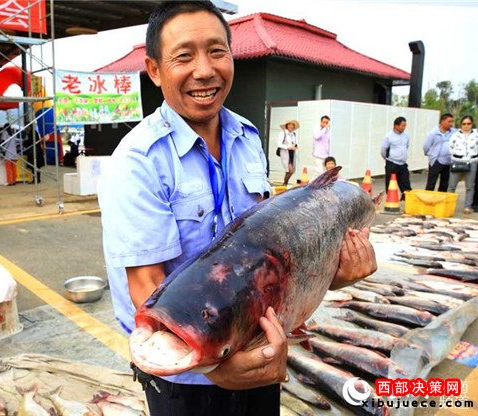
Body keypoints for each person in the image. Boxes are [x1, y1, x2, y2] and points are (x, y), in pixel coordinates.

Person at [97, 2, 377, 415]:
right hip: (184, 375)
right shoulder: (137, 161)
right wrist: (215, 369)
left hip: (259, 351)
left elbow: (270, 256)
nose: (204, 70)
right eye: (184, 56)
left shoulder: (246, 136)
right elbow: (146, 283)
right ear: (154, 70)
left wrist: (332, 274)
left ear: (232, 56)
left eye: (217, 51)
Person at [447, 115, 478, 214]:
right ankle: (448, 205)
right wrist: (455, 156)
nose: (466, 126)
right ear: (461, 125)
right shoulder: (455, 135)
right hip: (457, 162)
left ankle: (467, 207)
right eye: (464, 124)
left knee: (470, 187)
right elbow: (450, 147)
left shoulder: (476, 134)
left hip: (471, 162)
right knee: (452, 186)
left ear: (472, 124)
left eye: (468, 123)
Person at [381, 116, 411, 200]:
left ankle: (406, 199)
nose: (404, 127)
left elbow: (406, 146)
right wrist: (389, 158)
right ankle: (391, 199)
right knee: (391, 183)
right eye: (402, 125)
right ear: (396, 125)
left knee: (405, 183)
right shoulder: (389, 136)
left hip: (403, 163)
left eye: (405, 125)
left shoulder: (406, 136)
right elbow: (383, 150)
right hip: (392, 163)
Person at [423, 113, 455, 192]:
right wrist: (431, 155)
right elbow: (426, 146)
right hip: (436, 161)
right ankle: (428, 198)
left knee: (444, 184)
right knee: (431, 184)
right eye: (449, 121)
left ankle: (440, 199)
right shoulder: (433, 133)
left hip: (448, 162)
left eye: (452, 122)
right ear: (442, 121)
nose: (451, 124)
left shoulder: (454, 132)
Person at [275, 119, 299, 186]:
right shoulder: (283, 133)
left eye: (292, 125)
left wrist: (295, 146)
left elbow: (294, 143)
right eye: (289, 125)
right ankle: (285, 183)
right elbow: (279, 144)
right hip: (285, 153)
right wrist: (288, 147)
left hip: (292, 153)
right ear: (286, 126)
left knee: (291, 170)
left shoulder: (294, 134)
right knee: (290, 170)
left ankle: (285, 183)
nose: (291, 126)